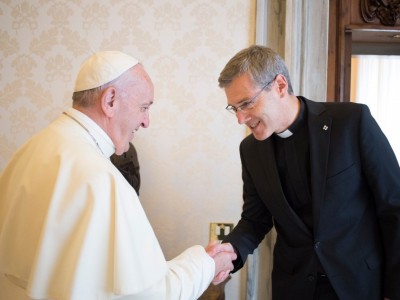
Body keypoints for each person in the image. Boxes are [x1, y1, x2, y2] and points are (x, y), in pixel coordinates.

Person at [0, 51, 236, 300]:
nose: (146, 122)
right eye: (144, 108)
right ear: (110, 100)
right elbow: (152, 295)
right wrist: (208, 264)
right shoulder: (103, 179)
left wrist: (200, 261)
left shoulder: (30, 149)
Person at [218, 45, 400, 300]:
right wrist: (229, 252)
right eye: (234, 108)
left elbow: (394, 206)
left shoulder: (352, 121)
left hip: (361, 285)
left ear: (280, 86)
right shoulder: (250, 150)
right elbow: (254, 219)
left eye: (246, 104)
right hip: (294, 288)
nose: (240, 119)